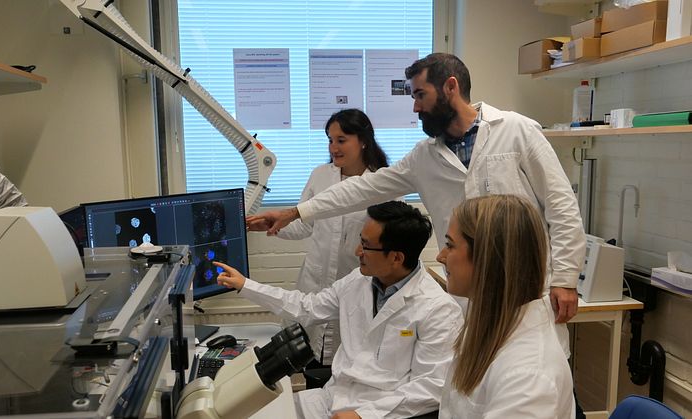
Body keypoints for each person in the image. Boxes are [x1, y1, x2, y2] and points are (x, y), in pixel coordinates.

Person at [247, 52, 586, 354]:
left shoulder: (517, 131)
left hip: (523, 286)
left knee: (532, 373)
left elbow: (562, 206)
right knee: (475, 379)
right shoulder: (425, 157)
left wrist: (566, 279)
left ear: (450, 87)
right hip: (467, 293)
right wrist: (297, 211)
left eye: (420, 95)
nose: (415, 106)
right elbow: (361, 189)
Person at [216, 201, 463, 419]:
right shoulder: (359, 280)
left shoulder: (438, 309)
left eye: (366, 246)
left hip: (380, 412)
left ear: (396, 258)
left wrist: (364, 415)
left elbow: (432, 386)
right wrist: (245, 285)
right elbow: (308, 307)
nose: (357, 252)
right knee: (254, 412)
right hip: (331, 398)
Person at [437, 195, 574, 418]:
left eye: (450, 245)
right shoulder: (490, 325)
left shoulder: (528, 376)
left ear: (486, 257)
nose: (441, 256)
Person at [273, 108, 389, 365]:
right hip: (314, 284)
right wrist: (273, 226)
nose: (333, 147)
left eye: (341, 140)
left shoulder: (383, 184)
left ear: (363, 141)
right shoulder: (321, 175)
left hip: (356, 290)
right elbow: (304, 226)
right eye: (330, 139)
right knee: (310, 360)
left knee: (346, 365)